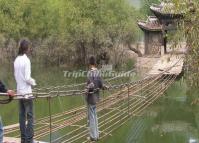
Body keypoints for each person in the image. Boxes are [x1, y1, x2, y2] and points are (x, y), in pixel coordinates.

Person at [14, 39, 36, 143]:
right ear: (27, 48)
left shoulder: (16, 60)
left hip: (19, 92)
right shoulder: (26, 60)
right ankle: (29, 140)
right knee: (30, 116)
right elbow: (27, 78)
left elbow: (16, 76)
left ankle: (23, 139)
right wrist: (34, 83)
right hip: (27, 93)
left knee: (22, 116)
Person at [86, 56, 104, 141]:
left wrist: (86, 89)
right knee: (95, 116)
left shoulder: (90, 73)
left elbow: (91, 85)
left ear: (90, 64)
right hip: (96, 98)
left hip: (91, 99)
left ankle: (93, 137)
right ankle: (97, 135)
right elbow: (101, 85)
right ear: (95, 63)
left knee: (92, 117)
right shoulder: (98, 72)